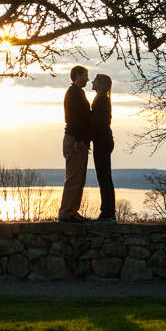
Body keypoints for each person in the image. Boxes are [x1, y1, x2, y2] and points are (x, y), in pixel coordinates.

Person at [59, 65, 91, 223]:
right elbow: (72, 118)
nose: (87, 79)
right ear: (78, 76)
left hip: (78, 140)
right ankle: (66, 212)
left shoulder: (78, 93)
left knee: (79, 178)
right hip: (74, 140)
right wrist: (78, 139)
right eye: (86, 76)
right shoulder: (73, 93)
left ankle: (72, 210)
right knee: (73, 178)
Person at [87, 73, 116, 223]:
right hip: (104, 141)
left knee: (103, 178)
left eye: (95, 80)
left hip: (102, 142)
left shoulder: (102, 101)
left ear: (100, 84)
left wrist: (84, 139)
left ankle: (107, 214)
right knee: (105, 178)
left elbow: (96, 123)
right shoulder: (102, 99)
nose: (92, 82)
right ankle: (108, 212)